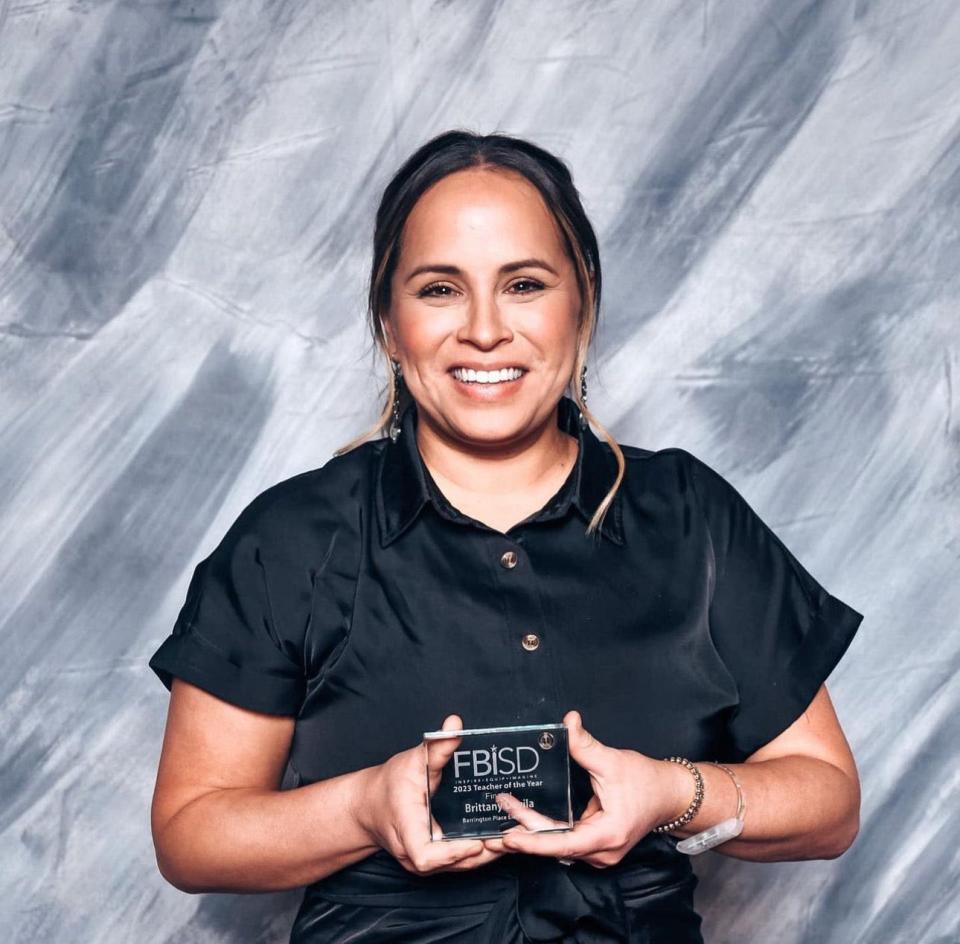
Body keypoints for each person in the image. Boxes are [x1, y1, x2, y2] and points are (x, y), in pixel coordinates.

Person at [148, 130, 865, 943]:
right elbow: (191, 832)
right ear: (389, 319)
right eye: (440, 290)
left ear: (582, 299)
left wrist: (671, 794)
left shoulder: (689, 513)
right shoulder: (291, 538)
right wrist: (360, 807)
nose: (485, 331)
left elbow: (827, 803)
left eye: (523, 284)